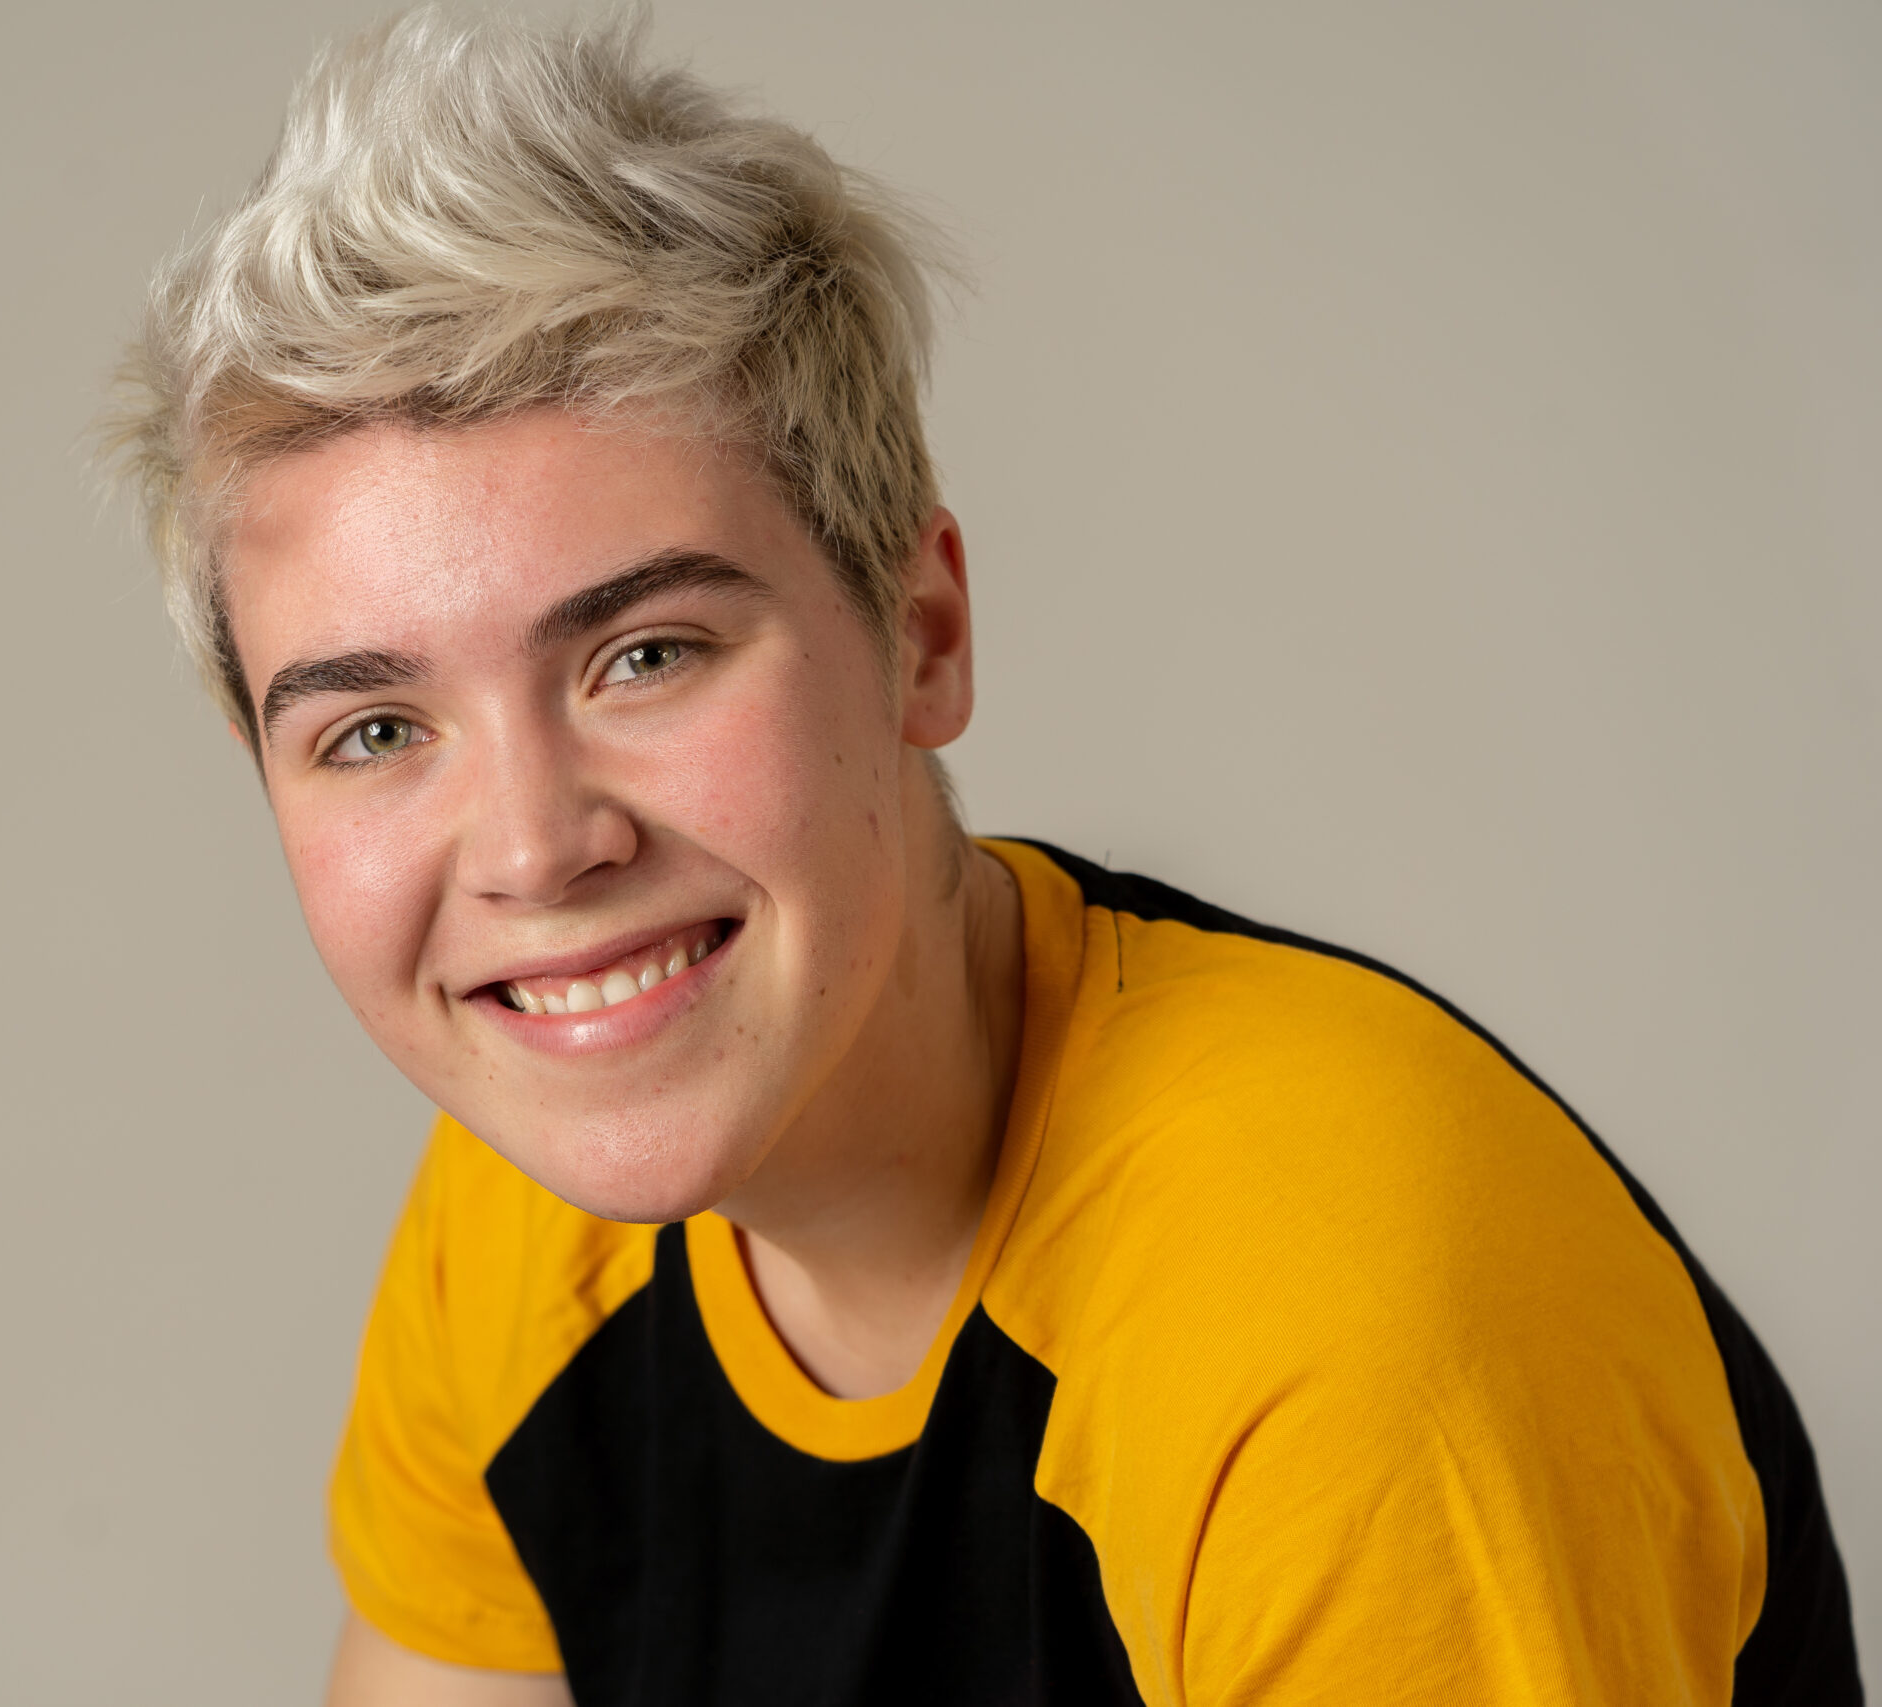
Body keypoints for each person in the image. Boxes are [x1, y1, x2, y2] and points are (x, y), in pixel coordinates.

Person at [105, 9, 1859, 1703]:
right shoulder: (522, 1227)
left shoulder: (1345, 1336)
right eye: (376, 732)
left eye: (646, 654)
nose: (537, 850)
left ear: (921, 629)